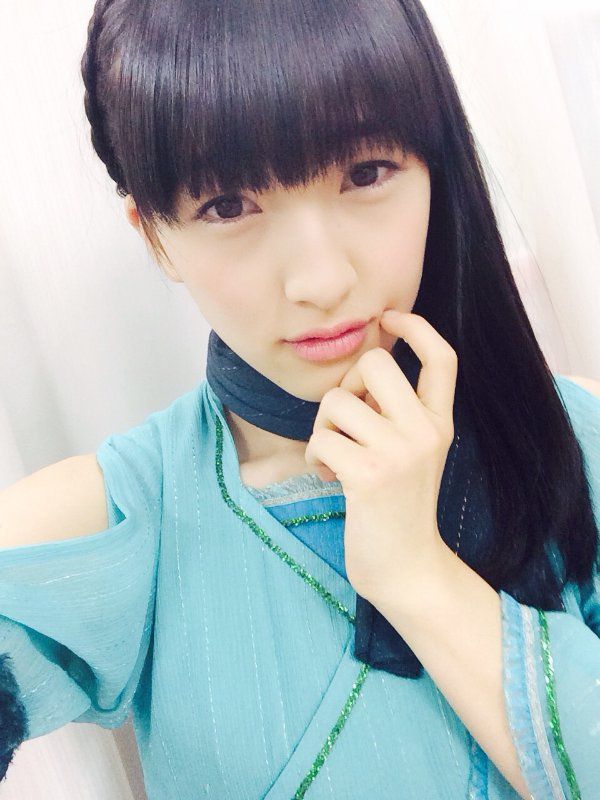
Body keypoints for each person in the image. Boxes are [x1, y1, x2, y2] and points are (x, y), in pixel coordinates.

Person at [1, 0, 599, 798]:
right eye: (228, 206)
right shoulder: (116, 520)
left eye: (366, 173)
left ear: (434, 167)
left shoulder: (575, 437)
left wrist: (417, 572)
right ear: (154, 237)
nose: (321, 280)